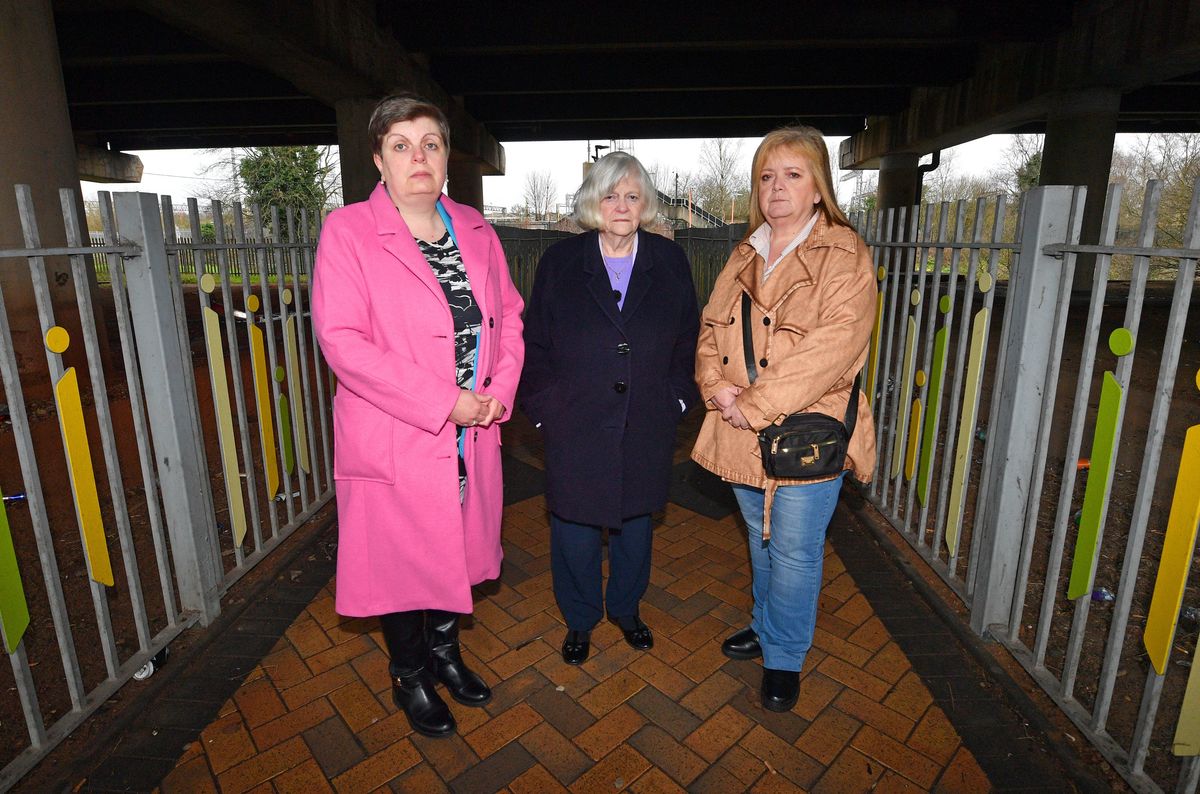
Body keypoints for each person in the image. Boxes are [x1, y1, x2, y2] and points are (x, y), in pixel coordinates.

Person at [311, 94, 524, 738]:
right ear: (379, 161)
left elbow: (509, 317)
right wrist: (445, 402)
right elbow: (343, 341)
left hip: (472, 431)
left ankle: (446, 654)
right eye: (400, 146)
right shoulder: (348, 232)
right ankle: (410, 675)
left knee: (452, 548)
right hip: (398, 432)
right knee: (402, 561)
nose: (418, 158)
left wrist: (498, 391)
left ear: (446, 158)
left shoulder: (476, 231)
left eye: (430, 143)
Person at [691, 126, 876, 712]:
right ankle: (766, 625)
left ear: (819, 187)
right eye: (768, 176)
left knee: (795, 548)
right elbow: (709, 328)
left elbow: (835, 346)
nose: (778, 187)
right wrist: (714, 385)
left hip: (804, 428)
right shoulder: (745, 250)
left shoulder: (844, 253)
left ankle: (785, 656)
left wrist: (752, 404)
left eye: (793, 175)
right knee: (759, 535)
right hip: (738, 427)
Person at [520, 151, 700, 665]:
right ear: (592, 202)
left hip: (646, 418)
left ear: (645, 204)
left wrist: (677, 398)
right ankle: (579, 618)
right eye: (610, 194)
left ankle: (626, 607)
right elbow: (536, 344)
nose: (621, 205)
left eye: (632, 195)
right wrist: (545, 409)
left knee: (636, 522)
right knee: (574, 527)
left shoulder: (669, 262)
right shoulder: (560, 262)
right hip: (575, 420)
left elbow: (689, 337)